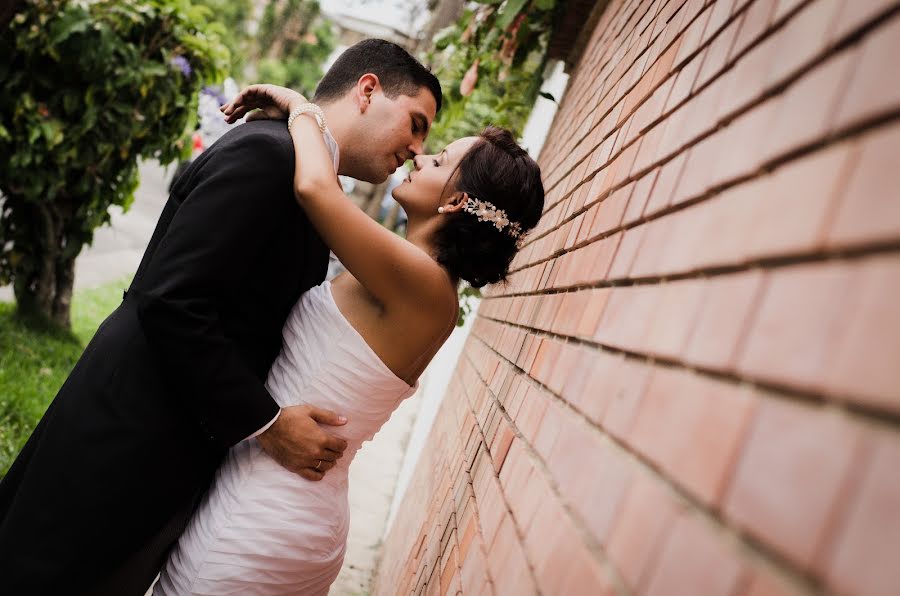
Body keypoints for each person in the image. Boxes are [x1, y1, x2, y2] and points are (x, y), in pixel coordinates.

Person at [0, 39, 442, 595]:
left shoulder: (309, 181)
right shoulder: (268, 155)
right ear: (368, 90)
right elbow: (172, 299)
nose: (417, 146)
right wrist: (268, 423)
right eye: (416, 123)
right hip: (125, 438)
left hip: (174, 451)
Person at [151, 83, 545, 594]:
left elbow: (316, 188)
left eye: (440, 160)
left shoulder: (422, 283)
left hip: (265, 514)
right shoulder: (419, 281)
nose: (421, 159)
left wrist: (302, 108)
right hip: (292, 502)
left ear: (456, 201)